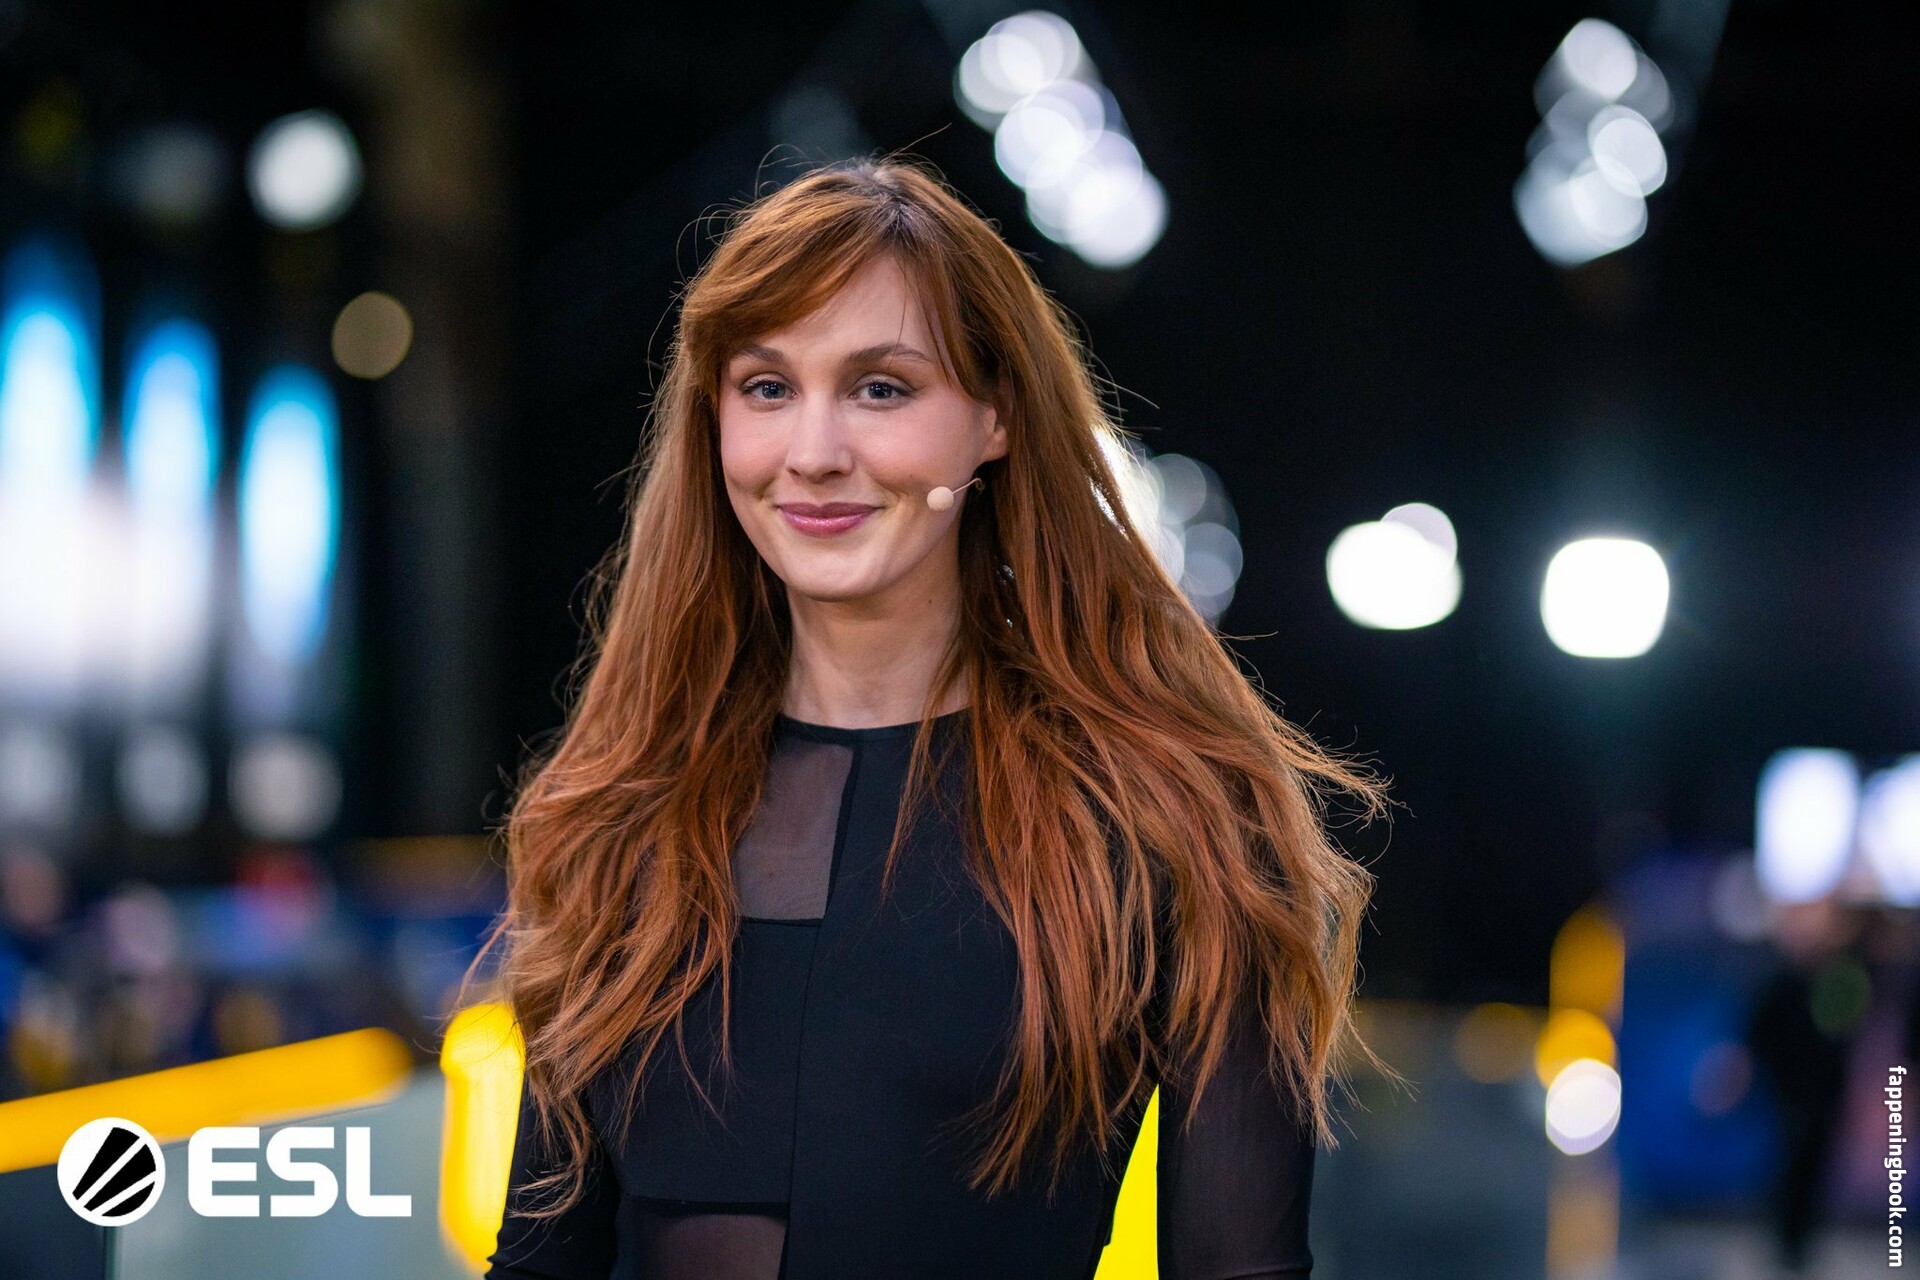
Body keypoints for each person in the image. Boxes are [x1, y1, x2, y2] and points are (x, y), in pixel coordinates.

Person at [478, 155, 1397, 1280]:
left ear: (995, 415)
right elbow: (538, 1259)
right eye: (766, 388)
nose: (814, 453)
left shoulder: (1172, 820)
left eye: (881, 388)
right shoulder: (619, 812)